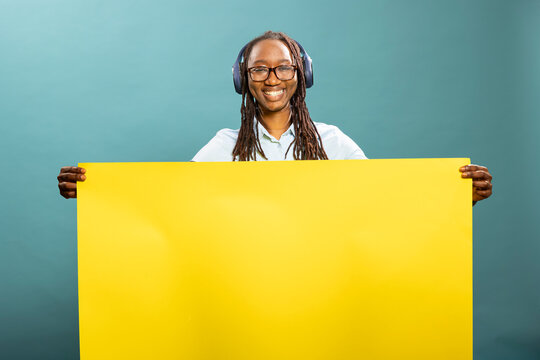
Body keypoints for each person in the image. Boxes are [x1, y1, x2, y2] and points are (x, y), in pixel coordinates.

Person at [57, 31, 493, 203]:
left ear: (301, 75)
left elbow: (380, 200)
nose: (272, 78)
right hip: (247, 284)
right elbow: (173, 200)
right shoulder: (225, 146)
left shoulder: (333, 143)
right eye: (259, 69)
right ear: (242, 79)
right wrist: (98, 196)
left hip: (323, 281)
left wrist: (454, 199)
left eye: (284, 67)